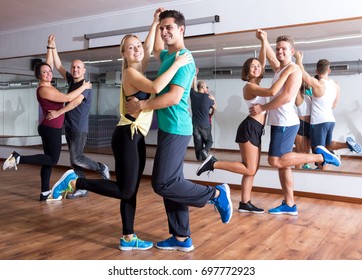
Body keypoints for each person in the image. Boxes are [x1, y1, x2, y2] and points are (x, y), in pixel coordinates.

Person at [48, 10, 193, 251]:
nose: (137, 50)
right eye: (131, 48)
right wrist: (178, 62)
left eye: (138, 47)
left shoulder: (139, 67)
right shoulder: (130, 73)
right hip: (127, 135)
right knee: (125, 189)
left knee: (130, 191)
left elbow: (147, 47)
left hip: (136, 137)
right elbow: (158, 86)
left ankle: (128, 237)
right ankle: (77, 181)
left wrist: (154, 22)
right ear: (123, 54)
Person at [126, 8, 232, 252]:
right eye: (162, 28)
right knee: (173, 182)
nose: (164, 32)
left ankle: (216, 194)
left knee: (162, 183)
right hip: (168, 127)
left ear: (181, 29)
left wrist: (142, 105)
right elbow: (153, 48)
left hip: (176, 128)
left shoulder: (184, 59)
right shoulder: (167, 57)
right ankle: (181, 236)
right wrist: (153, 22)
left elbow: (173, 98)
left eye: (169, 28)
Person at [197, 29, 296, 214]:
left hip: (256, 129)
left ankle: (245, 202)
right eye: (253, 67)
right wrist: (288, 70)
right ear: (247, 72)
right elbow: (274, 92)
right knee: (250, 169)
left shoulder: (256, 83)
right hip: (250, 128)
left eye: (259, 67)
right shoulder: (250, 86)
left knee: (252, 169)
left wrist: (263, 42)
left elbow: (261, 61)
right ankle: (213, 163)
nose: (257, 67)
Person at [249, 31, 341, 216]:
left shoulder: (294, 70)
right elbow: (269, 55)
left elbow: (285, 97)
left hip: (285, 122)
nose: (280, 51)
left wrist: (262, 108)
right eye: (278, 49)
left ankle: (321, 157)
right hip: (279, 122)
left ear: (292, 51)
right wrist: (264, 40)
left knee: (274, 160)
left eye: (284, 49)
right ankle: (289, 204)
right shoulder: (280, 69)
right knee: (284, 165)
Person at [2, 39, 92, 201]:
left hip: (49, 126)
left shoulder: (48, 84)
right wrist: (84, 87)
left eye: (49, 72)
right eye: (44, 72)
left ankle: (44, 192)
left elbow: (49, 65)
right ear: (39, 76)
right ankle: (18, 158)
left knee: (48, 161)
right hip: (51, 127)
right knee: (52, 159)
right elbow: (67, 97)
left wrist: (50, 47)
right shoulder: (44, 89)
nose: (48, 73)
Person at [45, 34, 110, 199]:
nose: (75, 70)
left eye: (78, 68)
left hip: (79, 128)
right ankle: (82, 187)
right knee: (74, 162)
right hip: (69, 126)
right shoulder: (72, 81)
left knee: (77, 157)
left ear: (84, 70)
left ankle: (100, 167)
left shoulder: (85, 86)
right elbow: (58, 65)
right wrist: (52, 46)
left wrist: (59, 113)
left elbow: (73, 102)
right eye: (73, 67)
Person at [294, 51, 362, 170]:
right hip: (331, 120)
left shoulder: (318, 84)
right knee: (326, 145)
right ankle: (347, 144)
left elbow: (303, 75)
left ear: (316, 72)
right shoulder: (336, 85)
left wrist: (299, 59)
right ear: (329, 71)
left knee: (319, 149)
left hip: (319, 121)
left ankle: (322, 171)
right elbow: (334, 105)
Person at [190, 68, 216, 161]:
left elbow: (193, 85)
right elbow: (215, 107)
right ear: (204, 88)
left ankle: (199, 159)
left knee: (198, 143)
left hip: (195, 125)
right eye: (207, 87)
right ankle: (205, 151)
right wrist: (214, 99)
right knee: (209, 141)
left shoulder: (193, 95)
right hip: (205, 124)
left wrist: (195, 75)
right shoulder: (208, 98)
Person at [294, 81, 312, 169]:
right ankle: (297, 169)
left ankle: (306, 165)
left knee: (307, 150)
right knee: (300, 150)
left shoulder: (309, 95)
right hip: (301, 124)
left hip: (310, 124)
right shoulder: (298, 96)